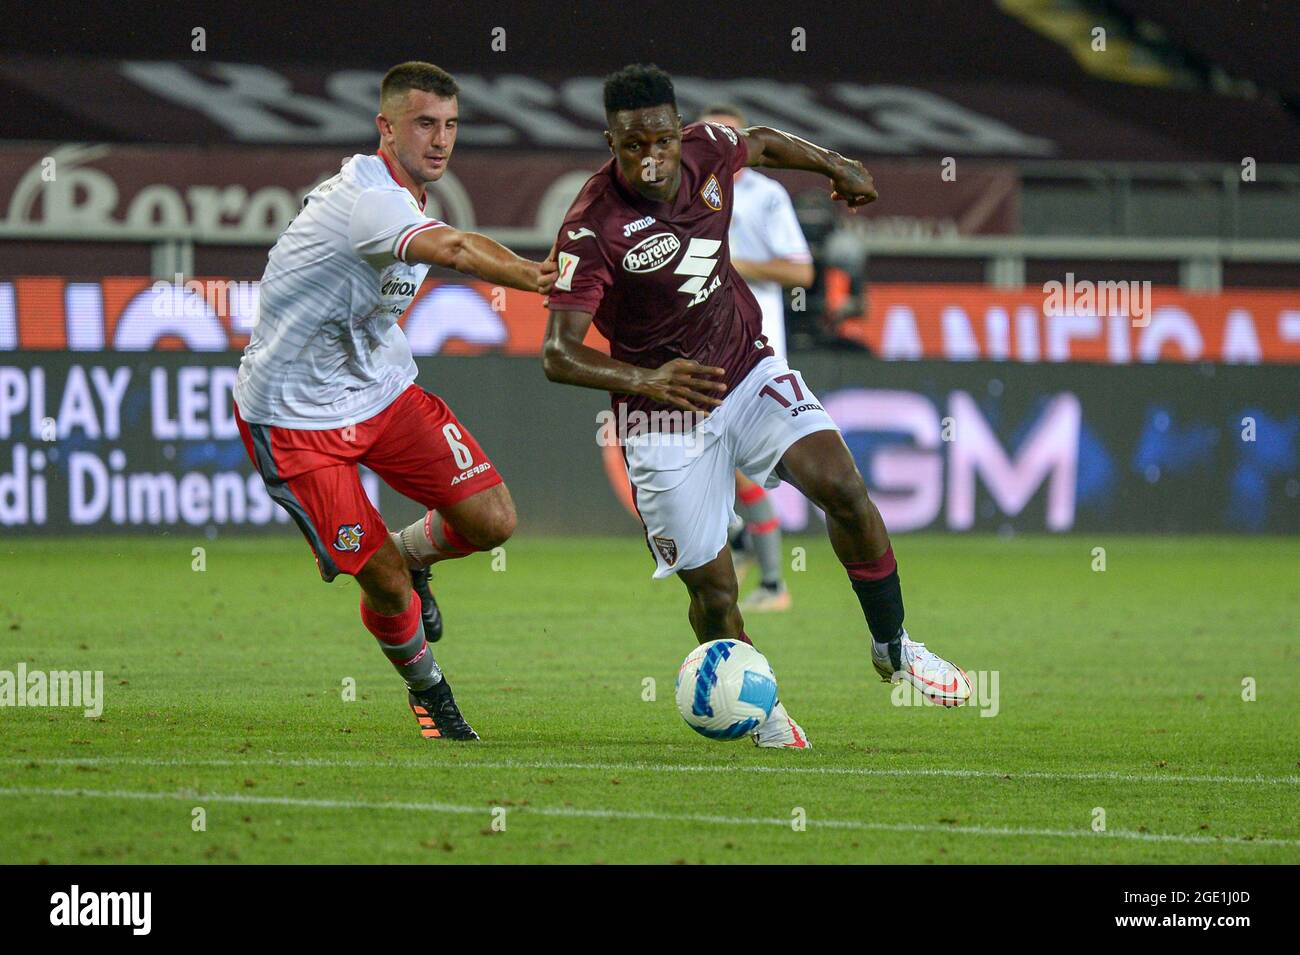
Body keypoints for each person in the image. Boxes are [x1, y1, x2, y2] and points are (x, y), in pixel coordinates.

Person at [542, 65, 969, 750]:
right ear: (610, 142)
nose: (649, 159)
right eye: (630, 146)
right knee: (714, 592)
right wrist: (648, 382)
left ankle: (894, 645)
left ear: (679, 132)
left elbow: (763, 143)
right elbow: (558, 354)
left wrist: (836, 165)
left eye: (660, 140)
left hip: (743, 367)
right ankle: (763, 712)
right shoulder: (593, 227)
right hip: (662, 417)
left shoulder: (711, 147)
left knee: (844, 486)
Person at [232, 61, 555, 742]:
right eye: (424, 124)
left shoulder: (405, 197)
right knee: (382, 584)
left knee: (492, 520)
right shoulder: (370, 200)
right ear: (386, 127)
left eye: (451, 126)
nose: (441, 140)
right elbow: (461, 249)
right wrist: (534, 275)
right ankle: (428, 690)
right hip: (294, 418)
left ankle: (412, 554)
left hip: (380, 391)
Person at [699, 104, 814, 612]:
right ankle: (744, 547)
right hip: (703, 342)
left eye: (730, 135)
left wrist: (734, 262)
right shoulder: (690, 192)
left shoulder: (766, 195)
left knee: (742, 466)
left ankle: (772, 582)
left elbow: (802, 272)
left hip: (757, 347)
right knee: (710, 458)